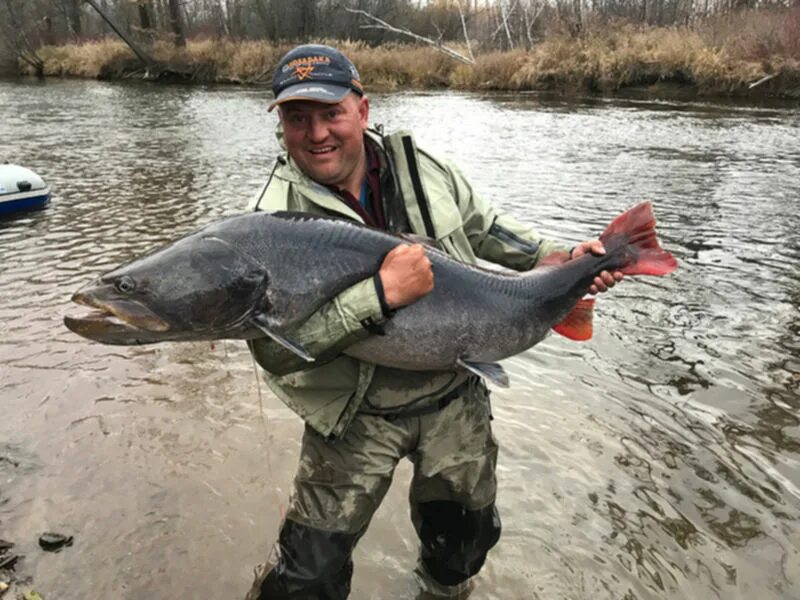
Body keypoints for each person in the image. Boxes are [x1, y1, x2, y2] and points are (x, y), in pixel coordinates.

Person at [243, 44, 622, 600]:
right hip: (353, 413)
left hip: (453, 395)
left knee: (462, 548)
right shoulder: (269, 224)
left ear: (362, 110)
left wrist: (567, 257)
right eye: (297, 118)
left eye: (331, 113)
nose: (317, 133)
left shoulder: (423, 168)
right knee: (307, 576)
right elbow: (277, 353)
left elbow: (490, 227)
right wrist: (376, 297)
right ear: (281, 124)